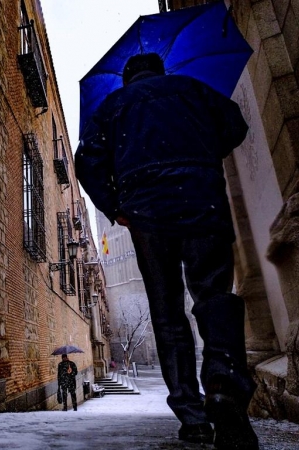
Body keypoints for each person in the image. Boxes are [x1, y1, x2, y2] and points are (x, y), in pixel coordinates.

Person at [75, 53, 257, 450]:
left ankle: (191, 415)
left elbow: (86, 163)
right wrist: (200, 154)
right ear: (160, 70)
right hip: (202, 203)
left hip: (146, 216)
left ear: (126, 79)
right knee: (214, 296)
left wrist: (114, 206)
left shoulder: (112, 108)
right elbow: (235, 126)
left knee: (167, 311)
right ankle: (224, 385)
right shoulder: (191, 90)